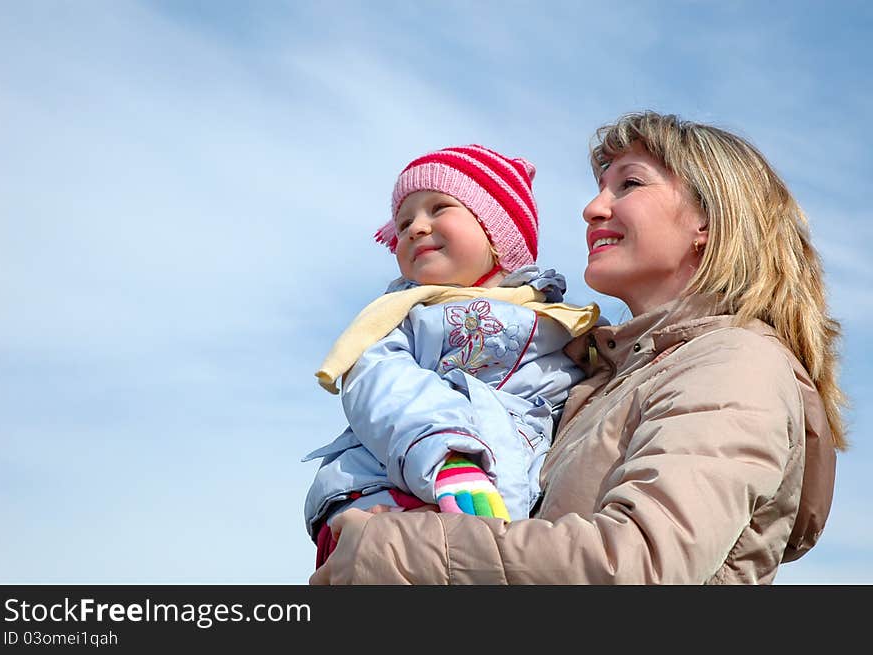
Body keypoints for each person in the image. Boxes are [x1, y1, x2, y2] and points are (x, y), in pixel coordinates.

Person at [309, 111, 848, 585]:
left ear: (709, 220)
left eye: (628, 184)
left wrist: (388, 551)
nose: (593, 208)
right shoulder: (599, 377)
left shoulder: (732, 365)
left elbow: (641, 564)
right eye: (599, 188)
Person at [303, 144, 600, 567]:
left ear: (499, 235)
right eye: (404, 222)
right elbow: (383, 385)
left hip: (504, 507)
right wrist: (448, 456)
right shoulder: (404, 316)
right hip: (390, 491)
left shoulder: (558, 321)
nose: (415, 229)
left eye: (439, 208)